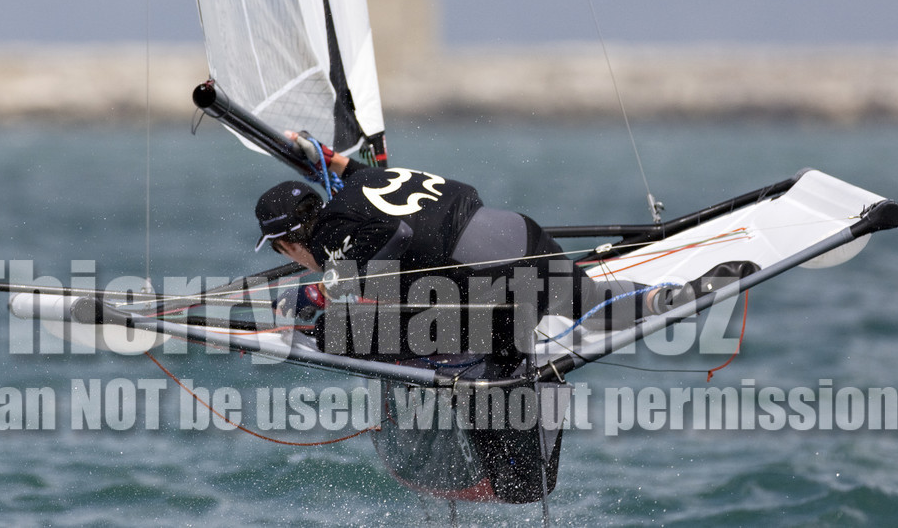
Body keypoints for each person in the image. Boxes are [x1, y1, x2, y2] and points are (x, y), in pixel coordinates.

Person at [253, 135, 754, 364]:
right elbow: (356, 176)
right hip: (523, 235)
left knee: (339, 332)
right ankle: (672, 297)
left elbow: (397, 240)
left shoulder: (328, 239)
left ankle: (465, 359)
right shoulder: (366, 180)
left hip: (494, 285)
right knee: (589, 302)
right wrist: (327, 157)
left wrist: (330, 289)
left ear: (285, 242)